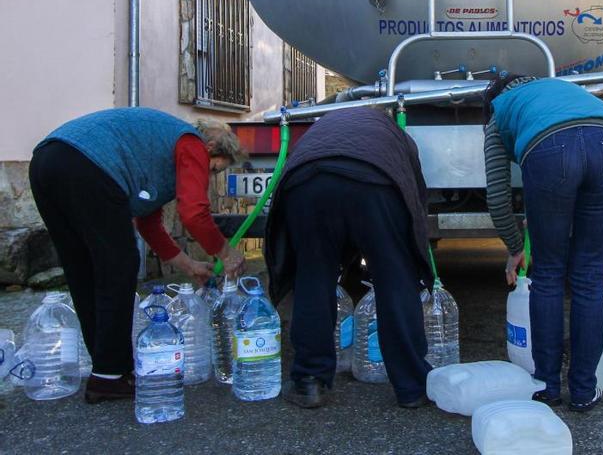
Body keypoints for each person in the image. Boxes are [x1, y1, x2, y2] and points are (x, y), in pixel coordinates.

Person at [29, 108, 248, 403]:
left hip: (46, 161)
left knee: (83, 266)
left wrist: (187, 264)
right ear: (210, 149)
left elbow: (148, 222)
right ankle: (110, 375)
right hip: (88, 164)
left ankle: (106, 371)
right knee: (119, 264)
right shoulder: (192, 143)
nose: (207, 177)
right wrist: (226, 252)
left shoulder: (156, 152)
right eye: (214, 170)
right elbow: (195, 213)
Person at [264, 107, 434, 409]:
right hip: (375, 182)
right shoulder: (394, 132)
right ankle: (413, 387)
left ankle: (309, 382)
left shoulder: (323, 126)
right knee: (395, 277)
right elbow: (414, 196)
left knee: (313, 277)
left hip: (306, 183)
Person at [483, 75, 603, 412]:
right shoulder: (565, 89)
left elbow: (496, 196)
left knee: (548, 275)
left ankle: (547, 386)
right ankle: (583, 391)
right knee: (590, 273)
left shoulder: (499, 112)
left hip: (550, 149)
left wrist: (514, 246)